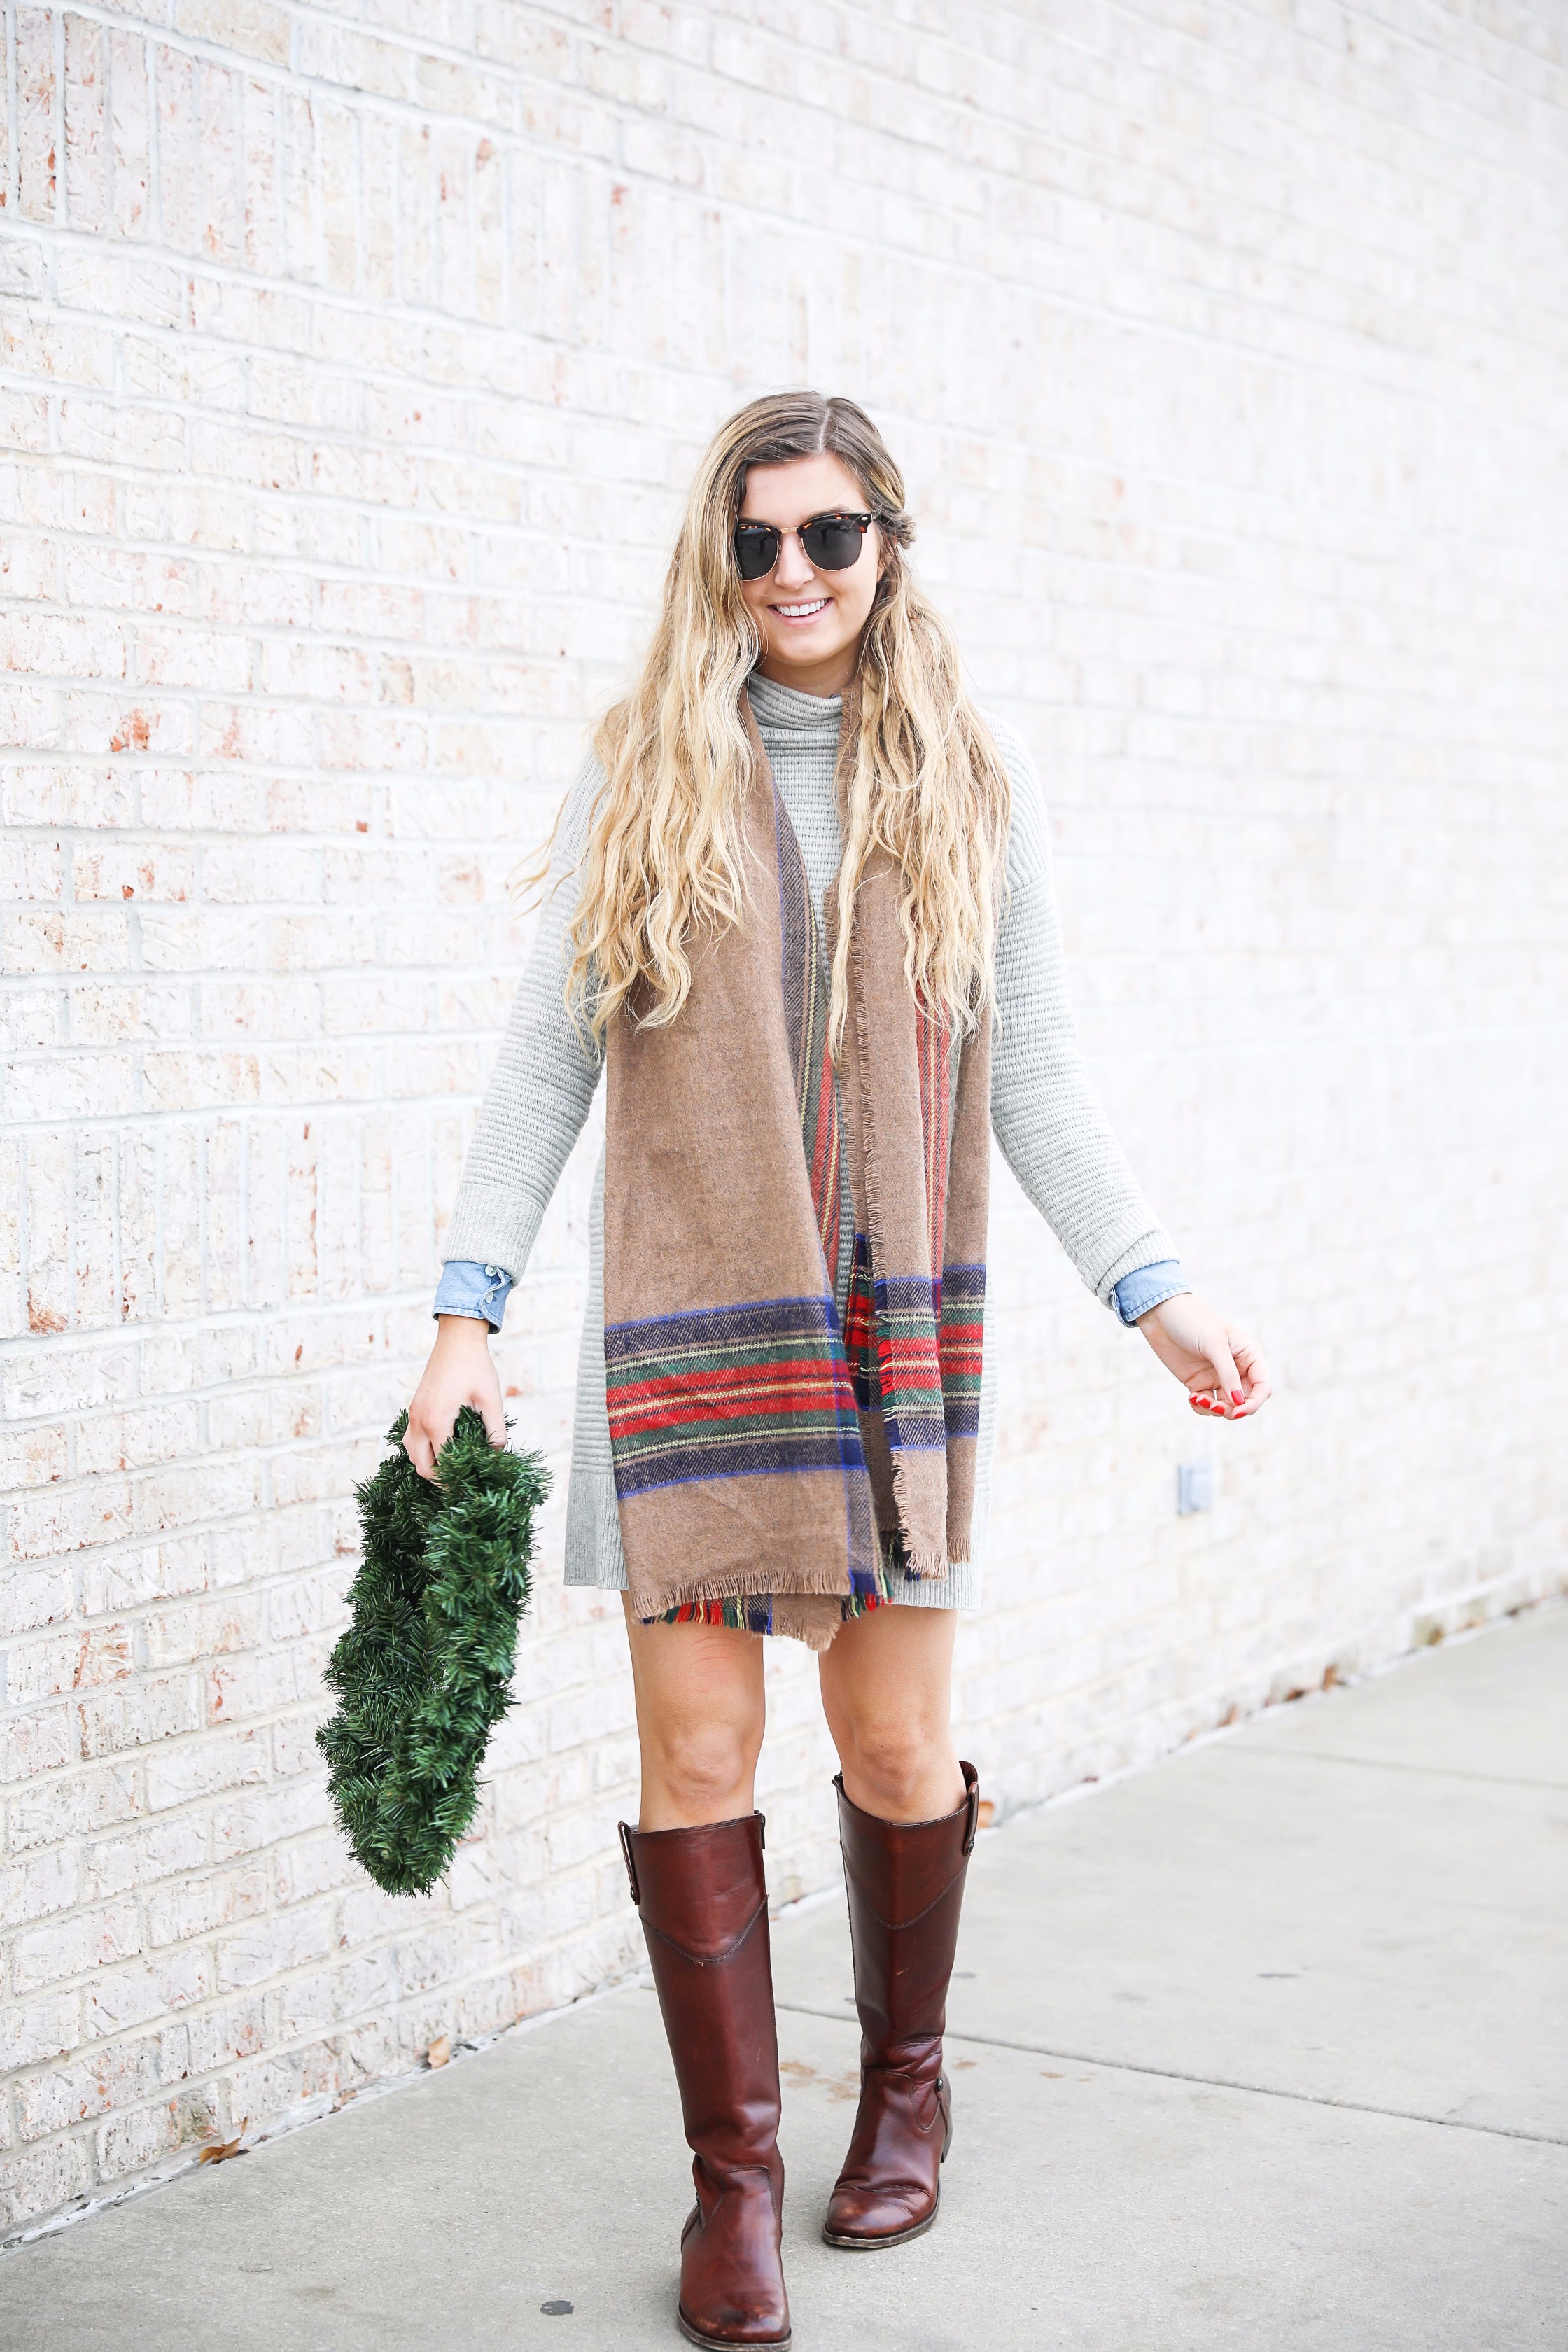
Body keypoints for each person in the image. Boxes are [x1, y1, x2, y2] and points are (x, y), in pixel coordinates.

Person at [404, 391, 1269, 2352]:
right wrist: (464, 1309)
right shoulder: (642, 769)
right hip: (684, 1352)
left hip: (893, 1350)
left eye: (831, 535)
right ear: (719, 558)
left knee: (892, 1753)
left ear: (891, 540)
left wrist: (1159, 1293)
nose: (794, 574)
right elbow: (546, 1059)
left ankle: (907, 2083)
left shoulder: (966, 780)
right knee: (699, 1756)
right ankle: (734, 2189)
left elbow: (1030, 1069)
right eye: (758, 540)